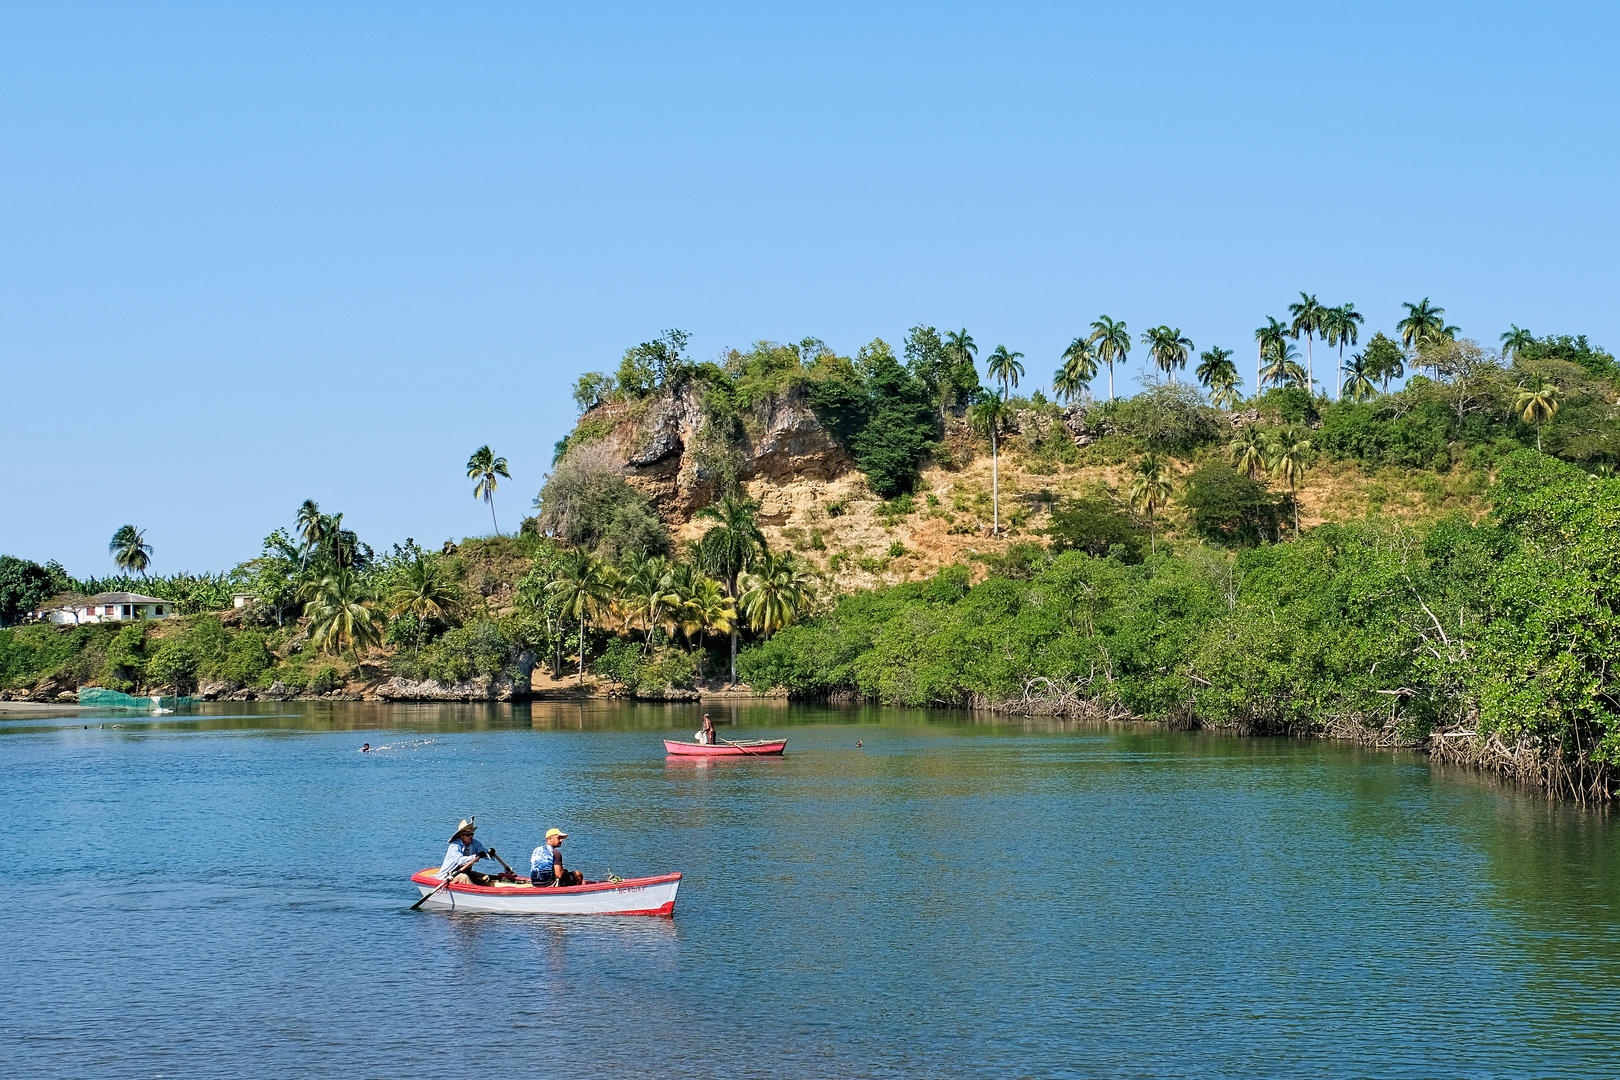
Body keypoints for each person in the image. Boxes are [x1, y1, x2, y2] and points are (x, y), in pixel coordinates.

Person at [440, 818, 505, 886]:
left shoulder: (474, 843)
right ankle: (475, 892)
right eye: (468, 835)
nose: (471, 836)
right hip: (450, 873)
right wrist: (475, 856)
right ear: (461, 836)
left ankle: (481, 890)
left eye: (472, 834)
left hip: (466, 872)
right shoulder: (454, 846)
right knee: (464, 878)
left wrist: (489, 853)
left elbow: (483, 851)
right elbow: (460, 861)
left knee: (485, 878)